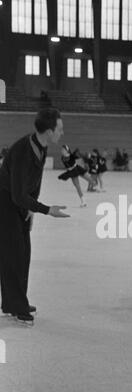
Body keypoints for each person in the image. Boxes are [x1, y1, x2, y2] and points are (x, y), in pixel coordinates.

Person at [0, 108, 69, 324]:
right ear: (48, 131)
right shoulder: (23, 150)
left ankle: (13, 302)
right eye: (59, 129)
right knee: (14, 256)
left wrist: (32, 208)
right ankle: (17, 307)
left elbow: (33, 184)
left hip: (19, 205)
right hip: (5, 205)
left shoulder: (40, 146)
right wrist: (47, 209)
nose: (62, 133)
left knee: (22, 255)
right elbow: (19, 194)